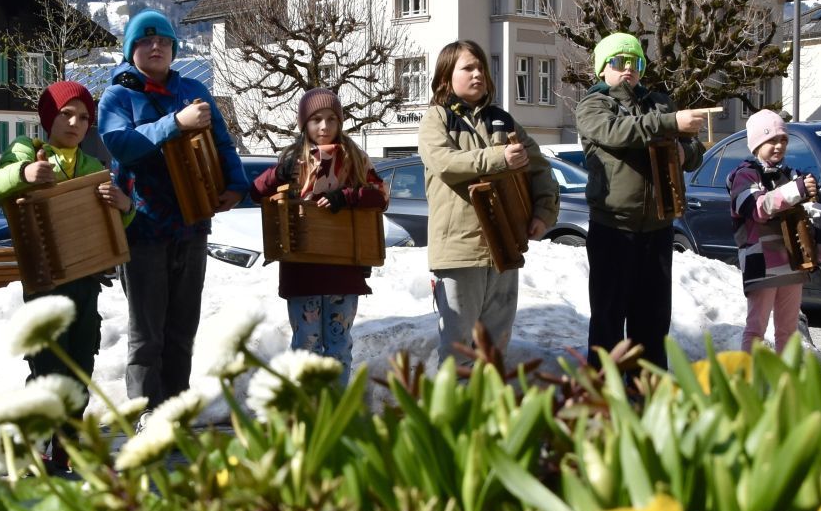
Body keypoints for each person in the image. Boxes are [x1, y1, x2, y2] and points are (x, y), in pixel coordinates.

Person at [0, 80, 132, 469]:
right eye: (66, 114)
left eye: (83, 117)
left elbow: (116, 223)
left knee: (82, 364)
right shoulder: (25, 152)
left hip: (86, 281)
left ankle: (67, 446)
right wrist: (25, 173)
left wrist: (124, 206)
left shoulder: (93, 165)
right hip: (45, 282)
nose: (75, 122)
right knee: (47, 366)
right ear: (49, 117)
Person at [99, 9, 245, 409]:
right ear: (132, 50)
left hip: (192, 226)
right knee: (147, 333)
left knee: (182, 328)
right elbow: (120, 143)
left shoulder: (193, 90)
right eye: (145, 40)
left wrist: (235, 185)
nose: (156, 46)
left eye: (163, 40)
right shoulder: (117, 95)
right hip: (142, 227)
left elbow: (223, 143)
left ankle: (177, 410)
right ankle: (146, 413)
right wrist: (174, 124)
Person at [418, 39, 558, 359]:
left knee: (493, 351)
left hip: (505, 249)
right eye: (468, 67)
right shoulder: (436, 118)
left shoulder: (504, 120)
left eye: (481, 67)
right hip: (458, 252)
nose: (478, 73)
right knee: (458, 353)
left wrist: (543, 212)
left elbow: (540, 169)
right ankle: (453, 411)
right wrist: (498, 159)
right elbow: (444, 163)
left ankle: (491, 409)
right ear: (445, 79)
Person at [575, 32, 706, 374]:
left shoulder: (660, 102)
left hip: (658, 227)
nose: (628, 69)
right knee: (607, 319)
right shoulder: (593, 105)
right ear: (603, 68)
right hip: (613, 227)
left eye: (635, 62)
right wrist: (671, 124)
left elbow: (695, 152)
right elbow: (620, 131)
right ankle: (602, 396)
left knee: (653, 320)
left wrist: (683, 150)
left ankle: (649, 395)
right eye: (619, 62)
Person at [248, 87, 387, 369]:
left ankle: (335, 409)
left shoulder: (355, 157)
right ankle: (308, 411)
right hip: (303, 268)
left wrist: (346, 197)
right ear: (304, 124)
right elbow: (255, 192)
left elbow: (380, 196)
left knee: (338, 344)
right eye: (316, 119)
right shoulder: (294, 157)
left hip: (343, 268)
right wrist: (279, 172)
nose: (324, 126)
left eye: (331, 119)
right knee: (306, 346)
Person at [729, 109, 819, 353]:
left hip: (791, 262)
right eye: (771, 140)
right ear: (756, 144)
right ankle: (749, 382)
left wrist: (814, 198)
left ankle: (785, 384)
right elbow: (758, 208)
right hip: (760, 263)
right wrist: (795, 191)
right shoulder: (744, 175)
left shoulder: (790, 174)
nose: (778, 146)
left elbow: (808, 215)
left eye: (783, 140)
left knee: (788, 330)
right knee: (756, 328)